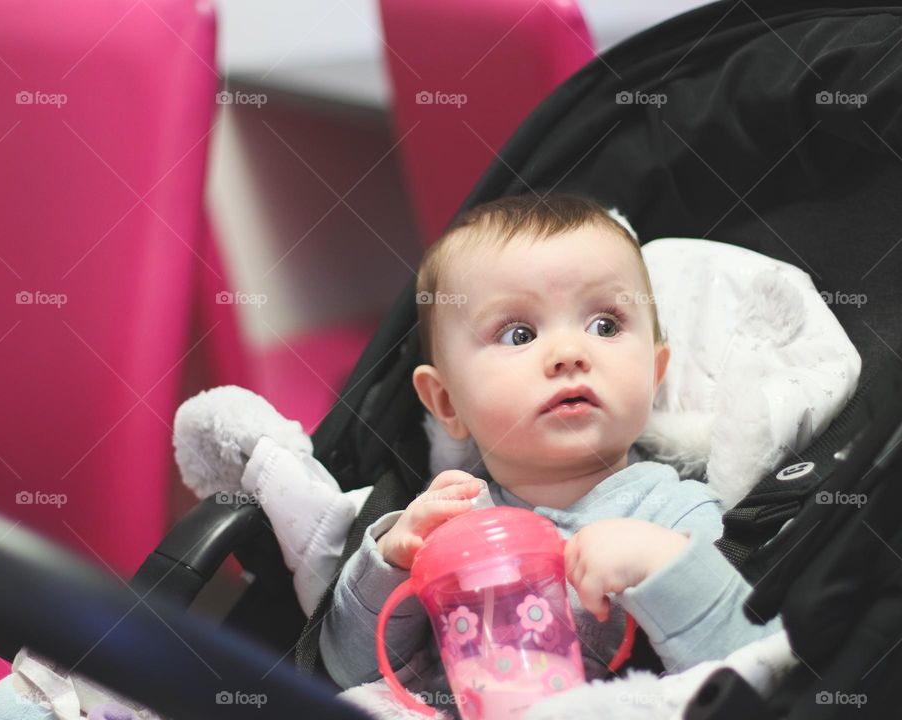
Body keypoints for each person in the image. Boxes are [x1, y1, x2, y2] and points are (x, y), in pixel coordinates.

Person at [319, 193, 784, 703]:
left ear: (654, 374)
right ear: (448, 403)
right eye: (518, 334)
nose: (568, 354)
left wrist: (665, 567)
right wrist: (392, 564)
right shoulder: (452, 520)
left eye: (605, 325)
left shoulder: (675, 516)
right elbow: (347, 672)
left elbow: (754, 663)